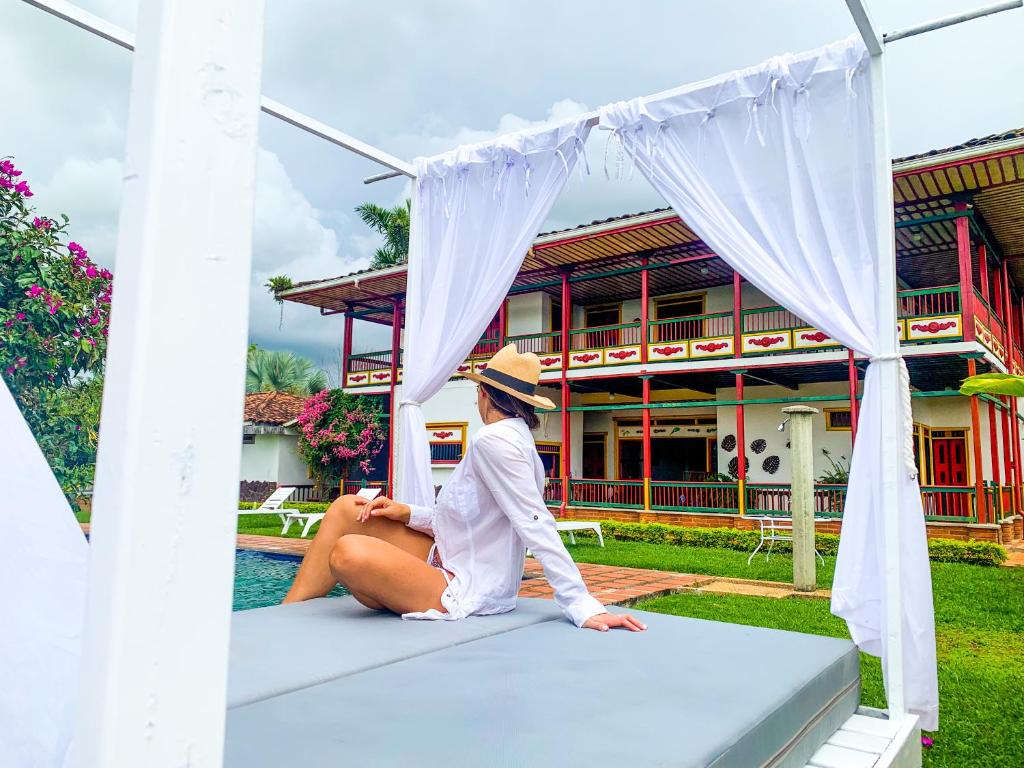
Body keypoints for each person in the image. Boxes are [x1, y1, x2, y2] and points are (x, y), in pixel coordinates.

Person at [283, 344, 645, 633]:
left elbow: (535, 522)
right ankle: (288, 615)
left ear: (484, 394)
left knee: (349, 552)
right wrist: (407, 513)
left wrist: (579, 603)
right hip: (449, 555)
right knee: (348, 507)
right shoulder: (511, 439)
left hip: (465, 584)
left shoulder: (496, 443)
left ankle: (296, 617)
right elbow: (473, 518)